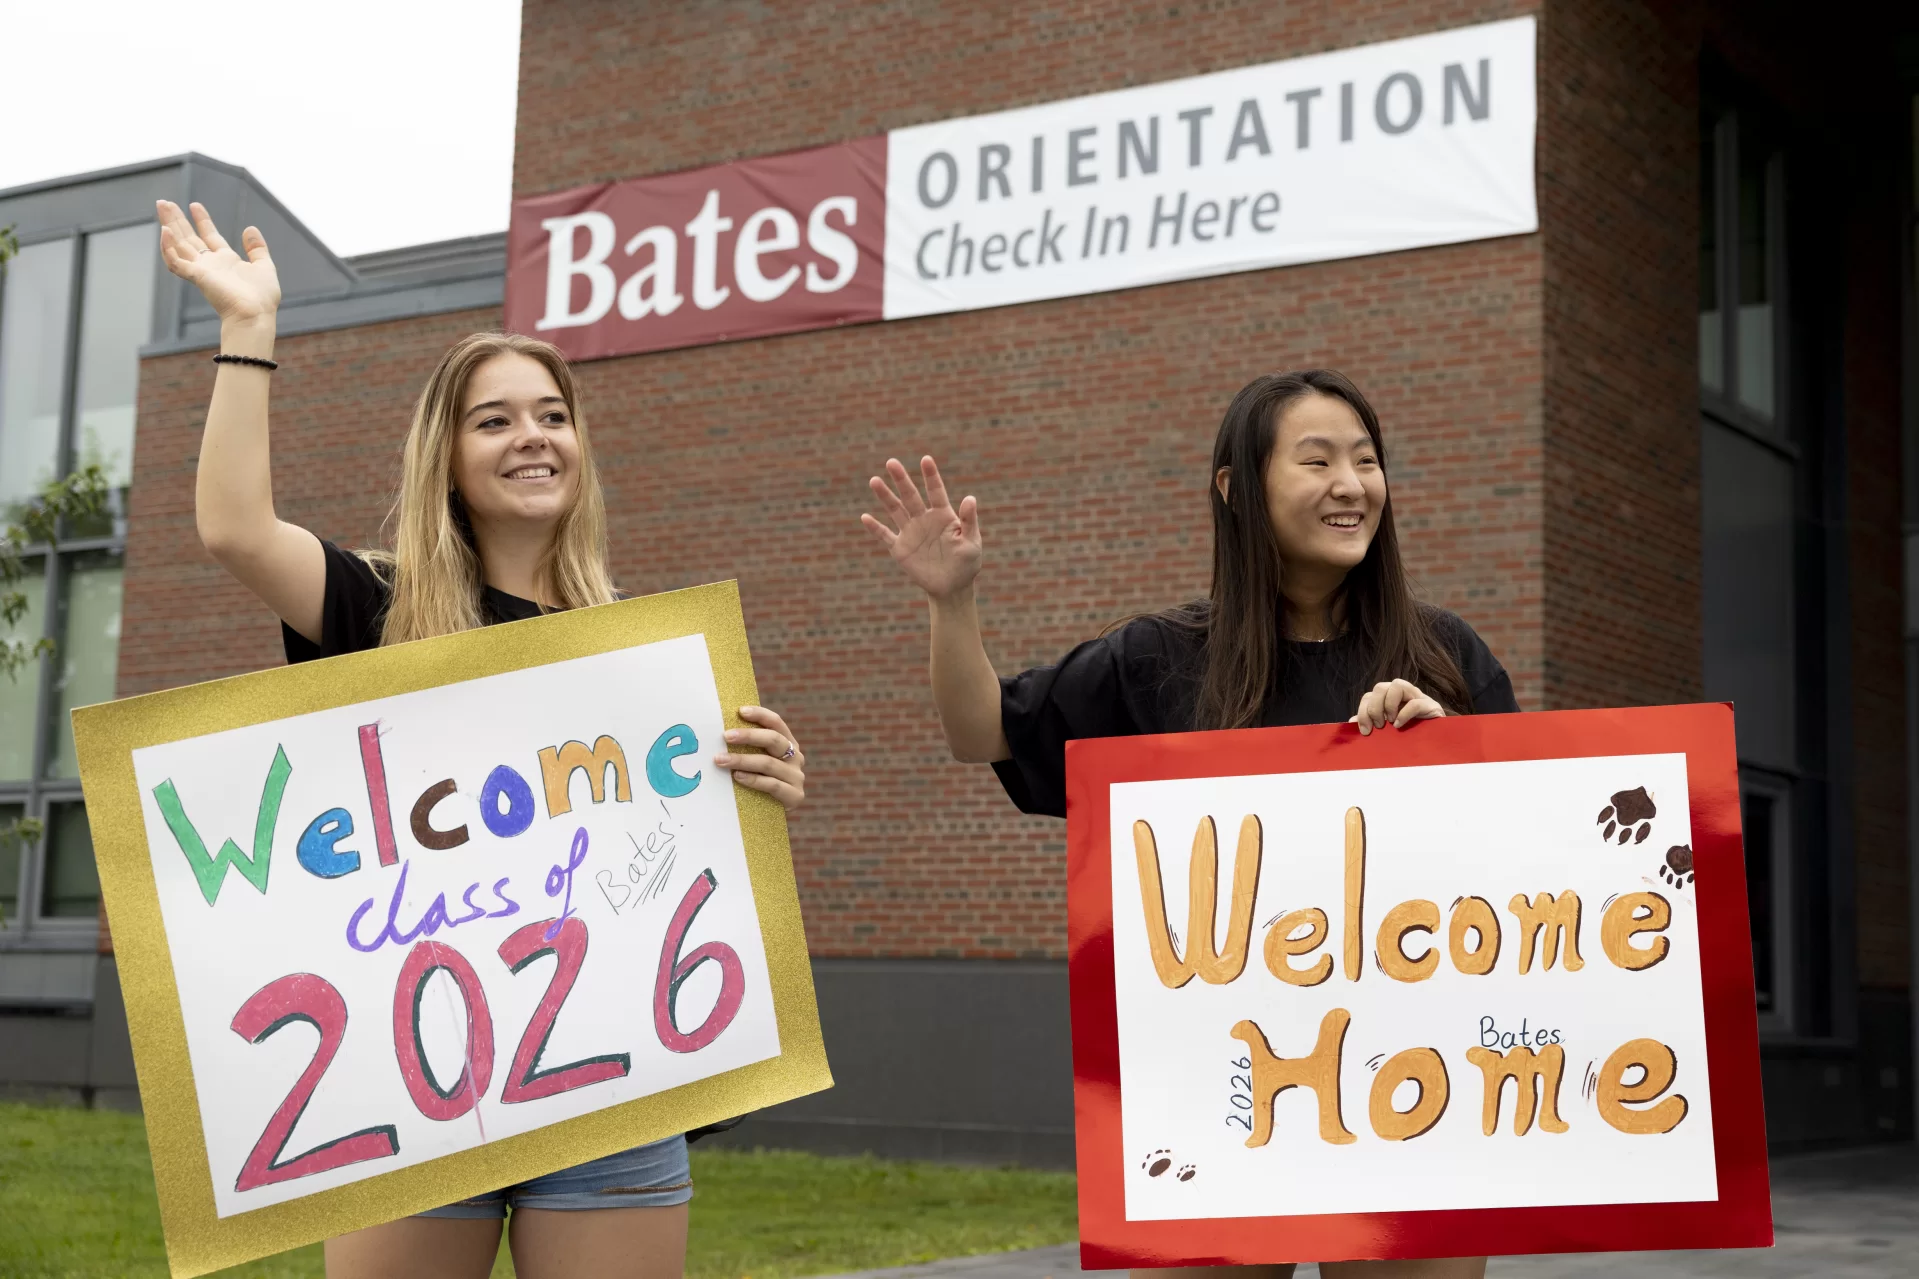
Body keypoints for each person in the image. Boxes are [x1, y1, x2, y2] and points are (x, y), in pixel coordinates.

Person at [157, 199, 807, 1279]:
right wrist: (250, 328)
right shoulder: (375, 605)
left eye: (551, 415)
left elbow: (663, 869)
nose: (531, 437)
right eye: (494, 419)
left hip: (611, 1085)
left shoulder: (642, 663)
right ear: (446, 454)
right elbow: (231, 526)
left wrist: (761, 784)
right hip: (410, 1081)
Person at [862, 368, 1516, 1279]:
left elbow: (1527, 860)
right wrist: (950, 600)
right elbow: (984, 733)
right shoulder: (1158, 659)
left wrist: (1446, 749)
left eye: (1366, 461)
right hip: (1219, 1085)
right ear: (1234, 488)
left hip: (1412, 1078)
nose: (1351, 484)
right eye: (1317, 459)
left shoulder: (1447, 655)